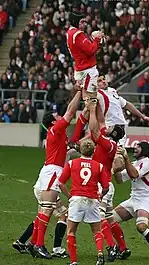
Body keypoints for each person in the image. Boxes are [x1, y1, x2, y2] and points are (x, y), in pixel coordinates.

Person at [26, 85, 82, 259]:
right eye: (57, 116)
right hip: (52, 171)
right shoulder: (56, 129)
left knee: (44, 209)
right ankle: (39, 245)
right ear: (52, 121)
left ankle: (34, 244)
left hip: (49, 170)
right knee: (48, 210)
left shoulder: (57, 134)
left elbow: (66, 148)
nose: (60, 117)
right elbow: (71, 112)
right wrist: (79, 92)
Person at [86, 100, 131, 261]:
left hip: (102, 185)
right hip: (106, 185)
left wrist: (91, 110)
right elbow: (102, 122)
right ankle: (123, 248)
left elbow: (94, 130)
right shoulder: (109, 140)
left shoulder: (109, 144)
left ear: (113, 133)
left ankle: (111, 247)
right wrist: (97, 107)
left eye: (111, 127)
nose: (108, 126)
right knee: (110, 218)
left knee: (100, 217)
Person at [112, 142, 149, 261]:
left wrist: (126, 159)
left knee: (141, 226)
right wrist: (116, 168)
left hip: (146, 200)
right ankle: (121, 248)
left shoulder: (148, 163)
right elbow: (119, 180)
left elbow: (134, 174)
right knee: (109, 221)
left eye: (138, 147)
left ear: (144, 150)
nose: (135, 149)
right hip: (133, 199)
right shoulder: (133, 163)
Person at [58, 139, 109, 265]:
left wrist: (69, 196)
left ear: (80, 150)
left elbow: (60, 183)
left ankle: (74, 261)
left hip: (76, 199)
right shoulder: (99, 166)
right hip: (92, 200)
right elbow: (106, 186)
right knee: (97, 231)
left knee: (71, 231)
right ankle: (100, 253)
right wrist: (101, 195)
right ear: (94, 151)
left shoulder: (72, 163)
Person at [69, 76, 149, 146]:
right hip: (108, 126)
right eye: (99, 81)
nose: (103, 81)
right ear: (95, 85)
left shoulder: (112, 91)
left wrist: (143, 116)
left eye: (104, 79)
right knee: (113, 153)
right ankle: (75, 143)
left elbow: (127, 104)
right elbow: (86, 108)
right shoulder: (97, 94)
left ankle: (75, 144)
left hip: (121, 126)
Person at [67, 11, 104, 100]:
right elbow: (91, 50)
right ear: (76, 22)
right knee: (91, 100)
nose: (85, 24)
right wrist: (97, 40)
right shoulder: (78, 34)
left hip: (80, 67)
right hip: (87, 69)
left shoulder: (69, 32)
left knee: (82, 97)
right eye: (82, 22)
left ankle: (69, 114)